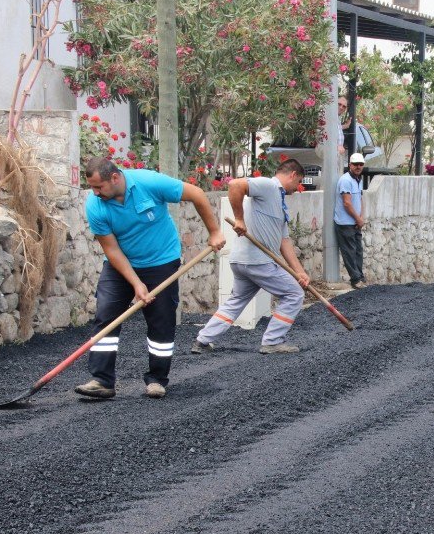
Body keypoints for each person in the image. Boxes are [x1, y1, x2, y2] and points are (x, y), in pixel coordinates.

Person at [75, 157, 225, 400]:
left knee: (161, 320)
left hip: (161, 262)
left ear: (115, 178)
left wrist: (215, 232)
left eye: (98, 186)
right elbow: (111, 250)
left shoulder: (148, 182)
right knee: (106, 314)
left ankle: (157, 379)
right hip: (121, 265)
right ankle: (102, 380)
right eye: (91, 187)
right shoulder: (95, 205)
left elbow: (197, 194)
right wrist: (136, 283)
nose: (94, 192)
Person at [192, 158, 311, 355]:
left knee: (237, 300)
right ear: (293, 175)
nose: (297, 187)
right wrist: (239, 218)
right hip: (257, 261)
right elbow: (234, 185)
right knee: (293, 294)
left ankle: (203, 340)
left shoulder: (279, 203)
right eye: (298, 182)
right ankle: (273, 341)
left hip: (244, 261)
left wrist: (300, 272)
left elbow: (284, 241)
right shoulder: (268, 186)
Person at [335, 152, 367, 289]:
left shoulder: (358, 179)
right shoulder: (346, 180)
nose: (358, 167)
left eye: (361, 164)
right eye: (355, 164)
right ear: (350, 165)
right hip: (345, 223)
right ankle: (355, 279)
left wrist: (361, 218)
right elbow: (347, 203)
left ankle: (359, 276)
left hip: (355, 222)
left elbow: (359, 199)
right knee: (349, 252)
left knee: (358, 251)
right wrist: (358, 218)